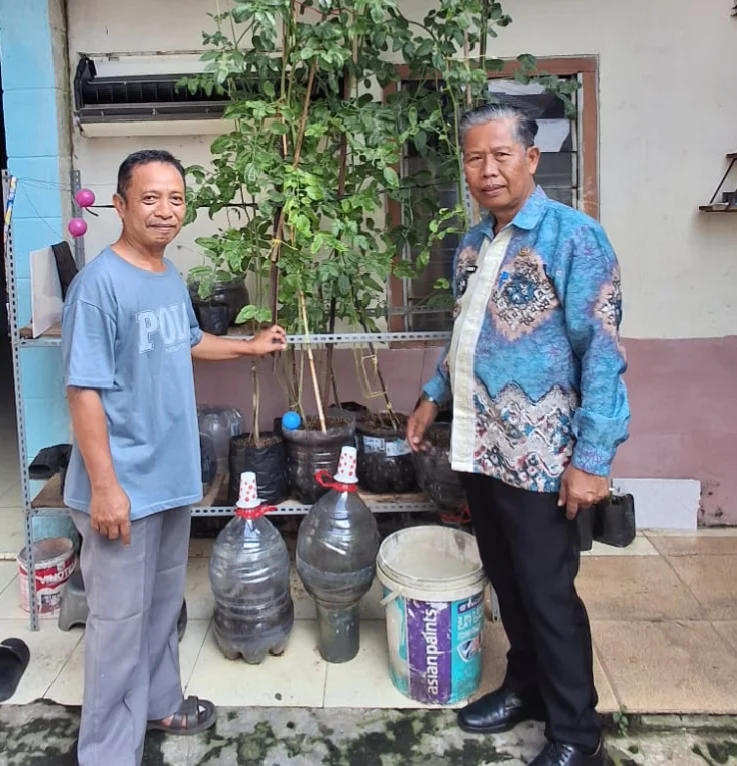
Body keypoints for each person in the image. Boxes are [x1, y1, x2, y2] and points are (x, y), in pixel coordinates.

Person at [407, 104, 629, 766]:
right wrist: (431, 397)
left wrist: (592, 459)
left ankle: (576, 734)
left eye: (500, 155)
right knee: (507, 580)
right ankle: (525, 688)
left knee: (547, 592)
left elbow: (603, 354)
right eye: (474, 158)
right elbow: (465, 335)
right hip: (480, 445)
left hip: (542, 457)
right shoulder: (473, 245)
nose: (487, 170)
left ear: (531, 159)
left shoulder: (575, 239)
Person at [61, 149, 287, 766]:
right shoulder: (98, 287)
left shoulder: (165, 275)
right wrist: (105, 487)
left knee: (162, 610)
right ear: (120, 205)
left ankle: (160, 703)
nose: (165, 210)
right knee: (118, 626)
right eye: (150, 198)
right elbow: (83, 392)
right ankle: (107, 752)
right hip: (122, 488)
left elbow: (185, 340)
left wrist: (248, 347)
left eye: (176, 199)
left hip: (169, 478)